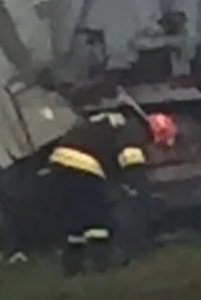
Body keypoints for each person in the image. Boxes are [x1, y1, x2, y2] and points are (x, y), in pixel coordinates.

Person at [45, 105, 177, 276]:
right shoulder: (134, 129)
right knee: (98, 220)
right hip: (85, 166)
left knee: (75, 222)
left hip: (58, 163)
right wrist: (142, 191)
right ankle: (102, 264)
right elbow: (131, 160)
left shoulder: (115, 120)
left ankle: (73, 267)